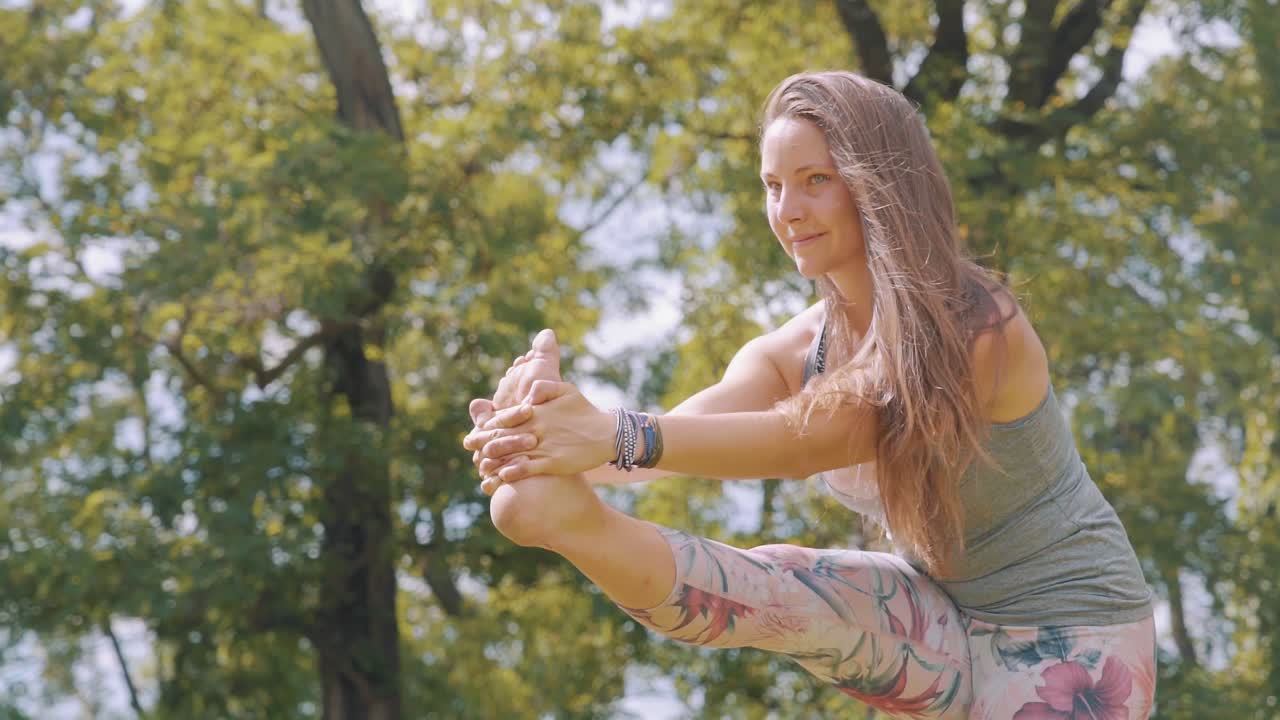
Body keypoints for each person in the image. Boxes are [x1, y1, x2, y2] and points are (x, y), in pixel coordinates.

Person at [463, 71, 1156, 719]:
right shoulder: (796, 351)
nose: (787, 210)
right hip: (939, 607)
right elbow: (674, 438)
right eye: (772, 186)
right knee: (778, 582)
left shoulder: (975, 322)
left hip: (1073, 629)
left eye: (815, 179)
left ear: (878, 182)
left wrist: (609, 433)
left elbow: (811, 437)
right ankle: (567, 522)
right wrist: (536, 439)